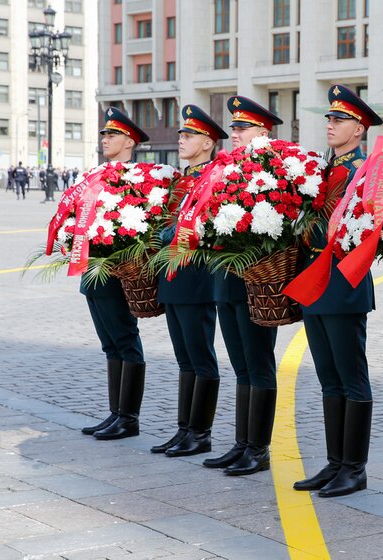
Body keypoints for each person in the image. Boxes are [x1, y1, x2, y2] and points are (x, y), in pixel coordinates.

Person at [292, 85, 383, 498]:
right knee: (328, 378)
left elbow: (363, 228)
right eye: (329, 118)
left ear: (359, 129)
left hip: (343, 281)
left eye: (339, 120)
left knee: (351, 376)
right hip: (315, 278)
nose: (330, 125)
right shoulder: (324, 170)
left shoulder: (366, 172)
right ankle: (335, 462)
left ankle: (355, 467)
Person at [201, 96, 281, 476]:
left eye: (242, 128)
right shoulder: (224, 169)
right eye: (232, 128)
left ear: (262, 132)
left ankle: (259, 448)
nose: (234, 134)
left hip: (256, 280)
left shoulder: (275, 168)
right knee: (241, 367)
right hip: (225, 279)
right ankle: (242, 443)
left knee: (259, 364)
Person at [151, 104, 223, 458]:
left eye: (189, 135)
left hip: (196, 277)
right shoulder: (182, 178)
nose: (181, 139)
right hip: (173, 276)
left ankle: (201, 432)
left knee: (200, 355)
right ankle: (184, 429)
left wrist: (170, 234)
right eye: (181, 134)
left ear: (208, 143)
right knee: (184, 358)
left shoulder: (213, 177)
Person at [80, 107, 149, 441]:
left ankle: (129, 417)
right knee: (110, 345)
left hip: (119, 272)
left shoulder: (137, 180)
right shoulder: (95, 176)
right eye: (104, 134)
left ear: (129, 141)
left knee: (125, 339)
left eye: (112, 135)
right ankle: (115, 413)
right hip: (93, 271)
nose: (105, 139)